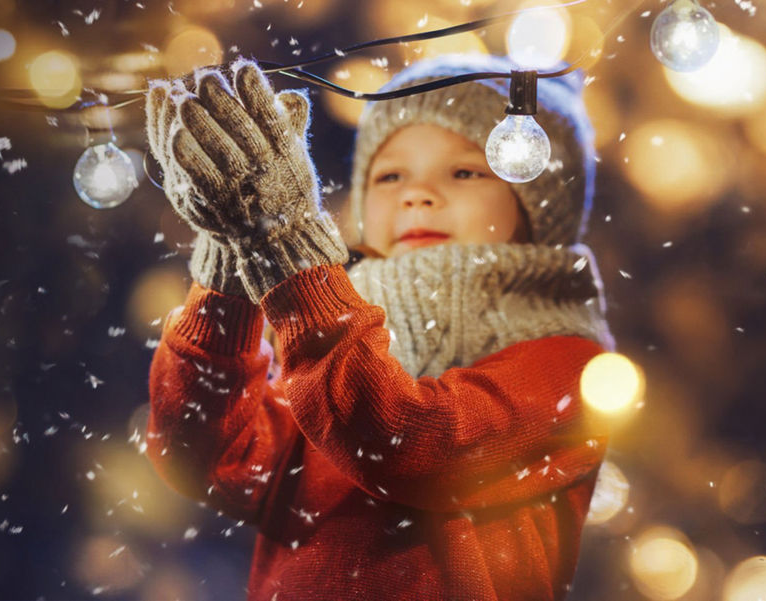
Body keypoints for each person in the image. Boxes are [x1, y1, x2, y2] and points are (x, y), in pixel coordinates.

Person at [142, 53, 616, 601]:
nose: (417, 194)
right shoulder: (323, 333)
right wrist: (229, 264)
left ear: (539, 209)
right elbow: (210, 462)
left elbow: (411, 443)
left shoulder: (571, 366)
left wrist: (287, 242)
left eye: (464, 171)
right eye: (390, 175)